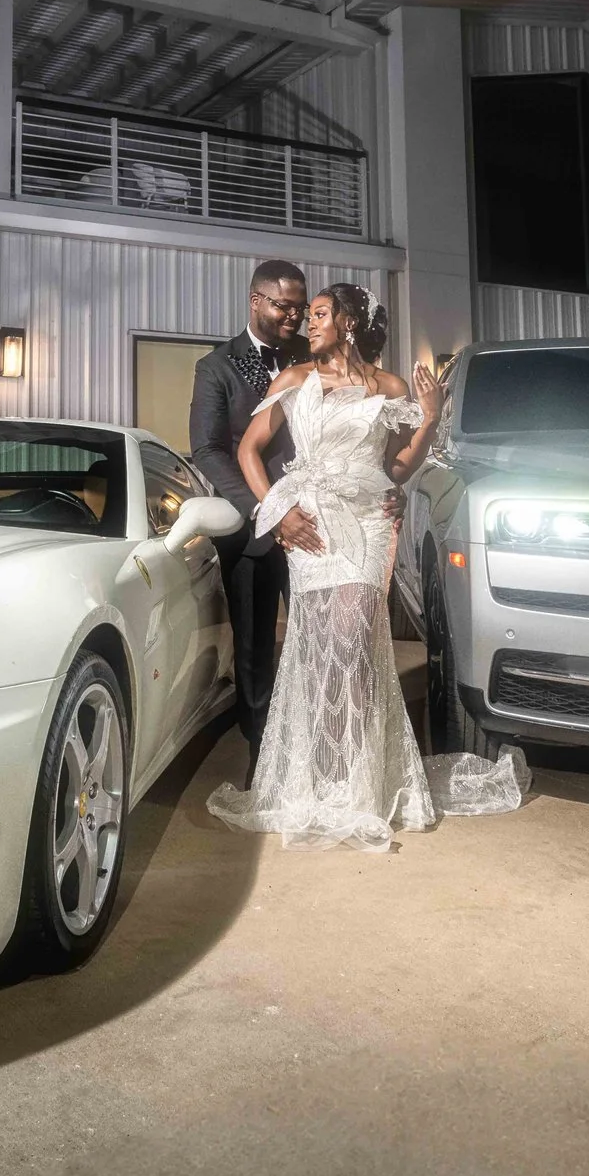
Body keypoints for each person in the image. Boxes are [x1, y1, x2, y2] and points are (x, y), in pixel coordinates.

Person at [206, 284, 527, 851]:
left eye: (320, 314)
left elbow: (399, 467)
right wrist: (278, 513)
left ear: (348, 323)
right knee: (318, 651)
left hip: (368, 525)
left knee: (354, 643)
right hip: (311, 527)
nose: (309, 324)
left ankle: (360, 785)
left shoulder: (391, 388)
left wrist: (427, 420)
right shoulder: (294, 380)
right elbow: (248, 452)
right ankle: (325, 778)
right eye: (308, 316)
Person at [188, 261, 313, 748]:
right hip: (253, 528)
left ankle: (313, 740)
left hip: (317, 521)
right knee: (255, 648)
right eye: (284, 306)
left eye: (301, 309)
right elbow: (208, 450)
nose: (294, 318)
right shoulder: (217, 366)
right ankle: (260, 750)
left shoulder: (313, 356)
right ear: (256, 301)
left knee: (319, 640)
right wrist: (267, 507)